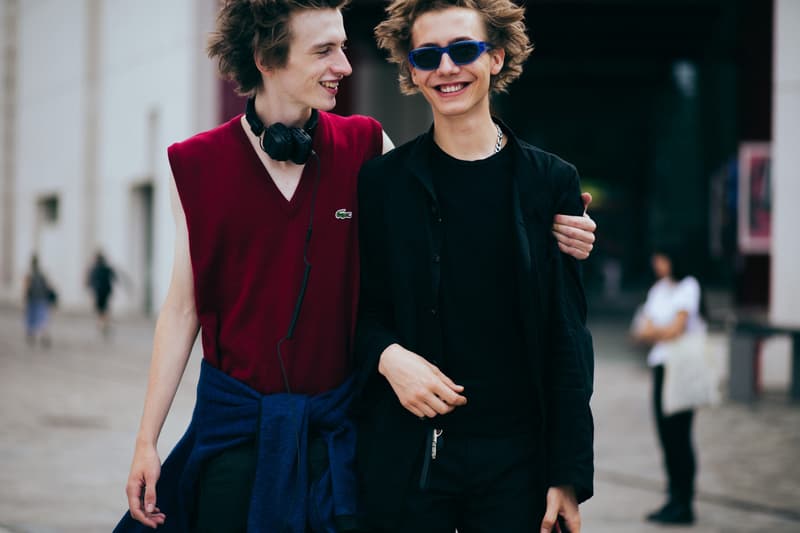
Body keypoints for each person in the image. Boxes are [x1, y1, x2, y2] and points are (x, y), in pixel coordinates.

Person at [116, 1, 597, 531]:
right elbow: (181, 309)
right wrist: (147, 441)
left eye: (343, 48)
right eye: (325, 50)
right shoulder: (203, 164)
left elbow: (468, 235)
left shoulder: (368, 148)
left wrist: (557, 232)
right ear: (266, 58)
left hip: (349, 434)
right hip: (243, 433)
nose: (345, 66)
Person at [353, 1, 595, 532]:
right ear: (411, 70)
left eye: (463, 50)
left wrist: (567, 473)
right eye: (427, 56)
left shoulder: (549, 182)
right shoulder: (381, 184)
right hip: (408, 459)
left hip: (517, 463)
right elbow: (356, 310)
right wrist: (388, 357)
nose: (446, 68)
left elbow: (568, 337)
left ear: (496, 57)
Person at [632, 246, 705, 525]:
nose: (657, 264)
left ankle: (685, 502)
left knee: (680, 436)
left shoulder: (688, 286)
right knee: (665, 435)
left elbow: (675, 329)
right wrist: (661, 331)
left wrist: (656, 331)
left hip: (683, 368)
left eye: (661, 258)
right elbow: (641, 332)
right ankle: (673, 499)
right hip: (661, 366)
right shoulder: (659, 289)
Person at [23, 254, 55, 348]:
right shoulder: (42, 274)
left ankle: (32, 335)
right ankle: (44, 335)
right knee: (42, 319)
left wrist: (24, 299)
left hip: (32, 300)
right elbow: (47, 286)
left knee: (31, 319)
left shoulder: (29, 274)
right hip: (42, 300)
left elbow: (26, 288)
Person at [86, 251, 117, 337]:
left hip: (98, 292)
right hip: (106, 292)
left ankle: (102, 324)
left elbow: (90, 281)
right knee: (105, 309)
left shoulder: (94, 269)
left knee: (100, 310)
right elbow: (114, 278)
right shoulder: (107, 268)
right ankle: (104, 324)